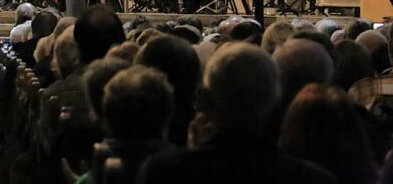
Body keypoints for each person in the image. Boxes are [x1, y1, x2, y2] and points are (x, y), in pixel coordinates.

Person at [139, 44, 337, 184]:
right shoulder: (311, 178)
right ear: (276, 100)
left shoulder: (164, 172)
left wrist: (193, 153)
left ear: (205, 101)